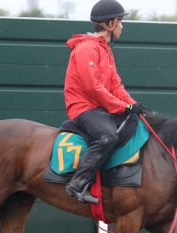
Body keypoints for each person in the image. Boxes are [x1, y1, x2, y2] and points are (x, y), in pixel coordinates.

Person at [64, 0, 147, 204]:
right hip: (83, 109)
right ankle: (77, 183)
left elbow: (115, 85)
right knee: (108, 136)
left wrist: (133, 105)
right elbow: (93, 87)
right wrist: (123, 106)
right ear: (109, 24)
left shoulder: (105, 50)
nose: (122, 25)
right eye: (119, 21)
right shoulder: (87, 48)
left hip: (99, 108)